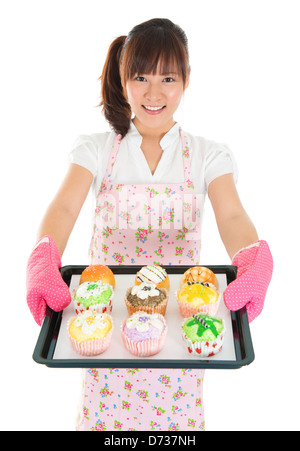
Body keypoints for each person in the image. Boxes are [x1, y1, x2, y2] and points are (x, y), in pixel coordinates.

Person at [26, 18, 273, 431]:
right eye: (140, 77)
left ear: (187, 79)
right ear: (123, 79)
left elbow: (231, 215)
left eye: (168, 78)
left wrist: (251, 257)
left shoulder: (209, 155)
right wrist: (43, 255)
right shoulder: (96, 149)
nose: (154, 93)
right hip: (105, 322)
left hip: (181, 324)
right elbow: (65, 208)